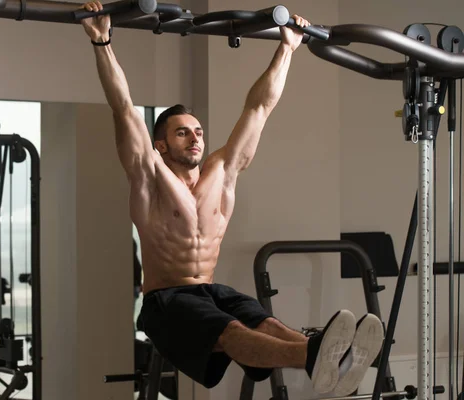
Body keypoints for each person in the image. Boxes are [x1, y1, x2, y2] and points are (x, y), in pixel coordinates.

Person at [80, 2, 385, 395]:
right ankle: (316, 355)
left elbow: (260, 107)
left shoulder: (221, 173)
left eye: (198, 131)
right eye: (182, 133)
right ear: (161, 144)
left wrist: (287, 48)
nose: (194, 138)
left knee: (267, 324)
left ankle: (327, 356)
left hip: (209, 289)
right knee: (232, 330)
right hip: (165, 301)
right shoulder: (150, 177)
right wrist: (101, 40)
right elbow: (123, 109)